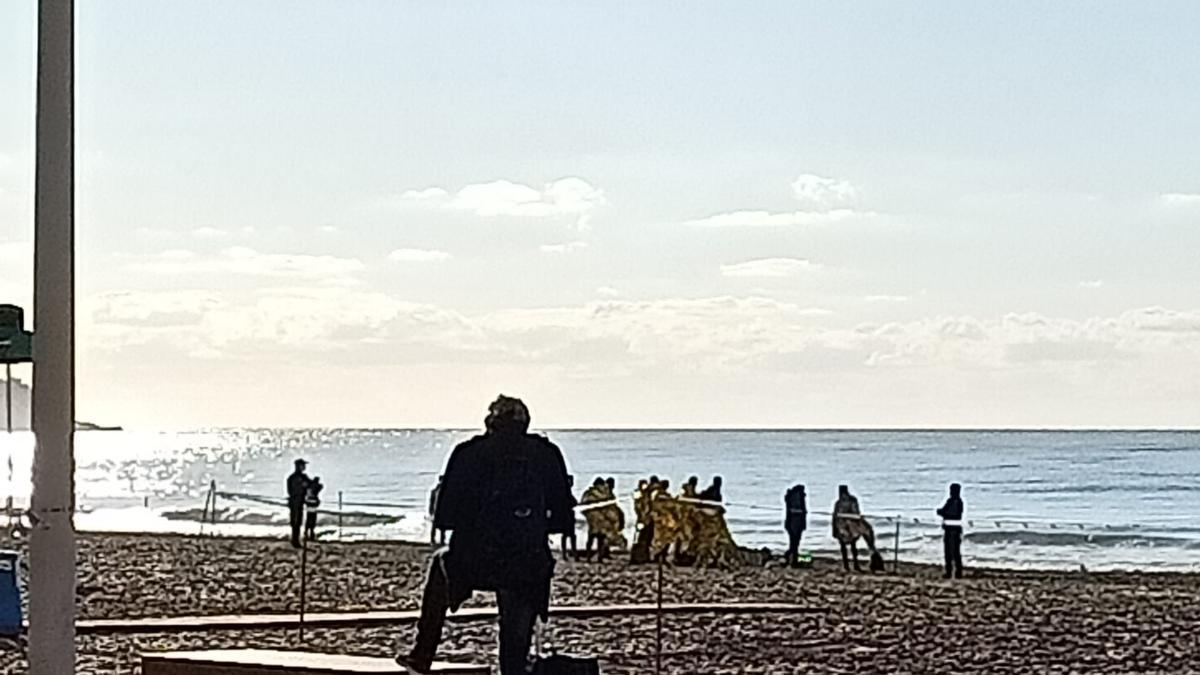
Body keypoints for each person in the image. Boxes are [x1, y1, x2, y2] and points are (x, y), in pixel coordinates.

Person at [395, 396, 574, 675]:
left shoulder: (469, 453)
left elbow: (445, 517)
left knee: (439, 564)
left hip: (475, 559)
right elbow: (564, 517)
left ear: (490, 422)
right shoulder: (546, 454)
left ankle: (422, 654)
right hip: (528, 562)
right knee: (514, 650)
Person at [832, 484, 877, 572]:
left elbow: (856, 513)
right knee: (844, 547)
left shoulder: (852, 501)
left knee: (853, 546)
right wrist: (834, 528)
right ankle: (846, 565)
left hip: (851, 527)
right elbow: (835, 516)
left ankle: (855, 564)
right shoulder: (838, 503)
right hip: (841, 527)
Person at [937, 483, 965, 579]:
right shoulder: (959, 502)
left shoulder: (954, 501)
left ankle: (951, 572)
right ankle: (956, 572)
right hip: (955, 529)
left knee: (950, 552)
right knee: (954, 552)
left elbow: (946, 512)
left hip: (951, 529)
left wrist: (941, 512)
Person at [285, 459, 309, 549]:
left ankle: (295, 539)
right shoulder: (295, 478)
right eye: (303, 465)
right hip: (295, 501)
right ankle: (295, 540)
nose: (304, 467)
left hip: (298, 501)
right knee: (295, 521)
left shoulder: (299, 477)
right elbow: (291, 490)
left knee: (297, 521)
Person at [784, 484, 807, 568]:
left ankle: (792, 559)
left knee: (794, 543)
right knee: (794, 543)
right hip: (795, 524)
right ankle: (792, 559)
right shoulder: (796, 498)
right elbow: (800, 511)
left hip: (795, 524)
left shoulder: (793, 497)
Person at [561, 475, 579, 559]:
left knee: (569, 535)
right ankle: (570, 552)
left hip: (567, 514)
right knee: (569, 535)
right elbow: (573, 502)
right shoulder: (566, 492)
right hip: (567, 514)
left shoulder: (565, 491)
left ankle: (568, 553)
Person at [304, 476, 324, 542]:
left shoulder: (309, 487)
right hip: (313, 502)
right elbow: (321, 486)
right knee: (312, 518)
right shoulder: (314, 488)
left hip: (309, 502)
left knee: (309, 518)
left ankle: (308, 532)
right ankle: (310, 532)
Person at [428, 476, 446, 545]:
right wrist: (430, 510)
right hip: (436, 510)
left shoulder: (442, 490)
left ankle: (442, 541)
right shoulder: (435, 490)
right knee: (434, 526)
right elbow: (431, 501)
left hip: (442, 510)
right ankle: (432, 540)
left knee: (442, 527)